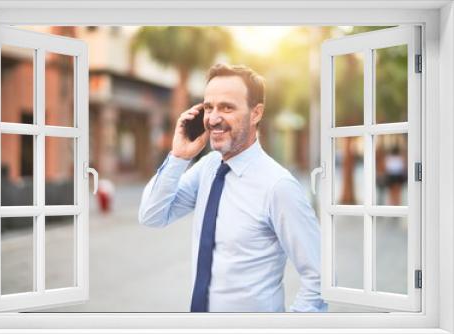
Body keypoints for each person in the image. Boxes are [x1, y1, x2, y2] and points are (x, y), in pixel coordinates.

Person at [138, 63, 327, 313]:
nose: (213, 118)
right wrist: (178, 157)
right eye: (208, 107)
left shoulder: (278, 187)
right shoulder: (207, 167)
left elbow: (320, 277)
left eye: (227, 107)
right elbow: (152, 215)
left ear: (256, 113)